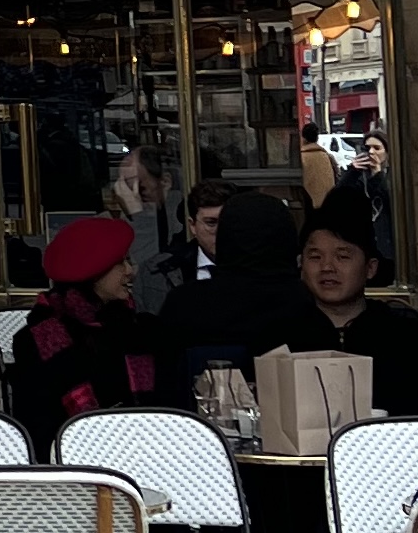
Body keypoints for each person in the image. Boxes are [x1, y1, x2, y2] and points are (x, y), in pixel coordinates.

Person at [8, 215, 183, 454]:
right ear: (92, 273)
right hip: (75, 469)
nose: (130, 271)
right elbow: (37, 430)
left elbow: (176, 409)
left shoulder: (145, 331)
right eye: (121, 262)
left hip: (153, 456)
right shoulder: (39, 339)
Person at [289, 193, 418, 415]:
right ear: (301, 264)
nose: (327, 267)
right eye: (315, 257)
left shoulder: (410, 337)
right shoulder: (282, 336)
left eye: (342, 256)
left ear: (370, 268)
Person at [156, 190, 312, 386]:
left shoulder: (183, 304)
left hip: (198, 414)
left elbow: (163, 382)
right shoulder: (304, 306)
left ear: (226, 237)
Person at [105, 145, 175, 314]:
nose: (131, 196)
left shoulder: (178, 217)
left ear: (164, 182)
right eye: (124, 187)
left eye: (139, 187)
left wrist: (137, 214)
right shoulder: (113, 222)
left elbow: (148, 268)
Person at [332, 129, 396, 268]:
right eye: (367, 148)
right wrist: (352, 172)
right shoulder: (359, 176)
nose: (371, 152)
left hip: (387, 239)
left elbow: (391, 200)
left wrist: (378, 174)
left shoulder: (392, 175)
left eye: (377, 148)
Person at [161, 178, 230, 289]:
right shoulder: (167, 269)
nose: (221, 231)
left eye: (227, 221)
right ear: (193, 226)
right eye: (211, 223)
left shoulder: (257, 269)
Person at [298, 126, 337, 206]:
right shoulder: (327, 156)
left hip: (308, 206)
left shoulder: (300, 158)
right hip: (328, 204)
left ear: (303, 138)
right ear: (317, 138)